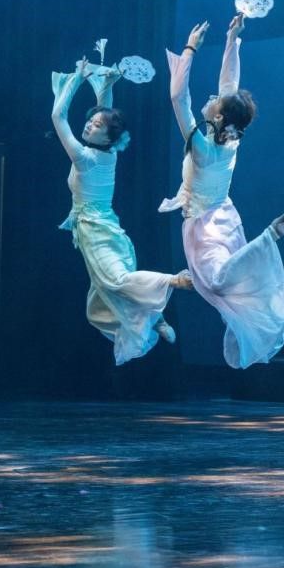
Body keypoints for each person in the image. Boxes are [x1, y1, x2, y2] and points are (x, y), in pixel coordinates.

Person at [159, 14, 284, 368]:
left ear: (220, 118)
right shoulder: (228, 140)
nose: (212, 99)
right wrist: (231, 39)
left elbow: (178, 98)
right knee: (232, 288)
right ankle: (260, 299)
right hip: (225, 216)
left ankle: (269, 237)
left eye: (216, 103)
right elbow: (229, 84)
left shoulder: (203, 148)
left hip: (204, 225)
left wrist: (190, 49)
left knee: (216, 281)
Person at [52, 56, 192, 365]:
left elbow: (57, 116)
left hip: (96, 231)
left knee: (116, 282)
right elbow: (104, 111)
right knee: (100, 304)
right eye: (91, 121)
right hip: (103, 227)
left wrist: (76, 79)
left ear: (107, 137)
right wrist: (108, 84)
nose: (89, 124)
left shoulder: (85, 158)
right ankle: (156, 318)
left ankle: (172, 281)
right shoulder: (108, 153)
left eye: (96, 125)